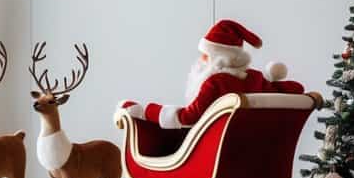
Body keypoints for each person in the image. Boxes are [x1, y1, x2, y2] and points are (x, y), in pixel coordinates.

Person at [121, 19, 304, 130]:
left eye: (206, 55)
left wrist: (144, 111)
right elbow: (296, 89)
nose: (201, 59)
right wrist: (272, 77)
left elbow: (187, 118)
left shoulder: (215, 83)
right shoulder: (256, 79)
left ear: (217, 58)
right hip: (252, 159)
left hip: (210, 162)